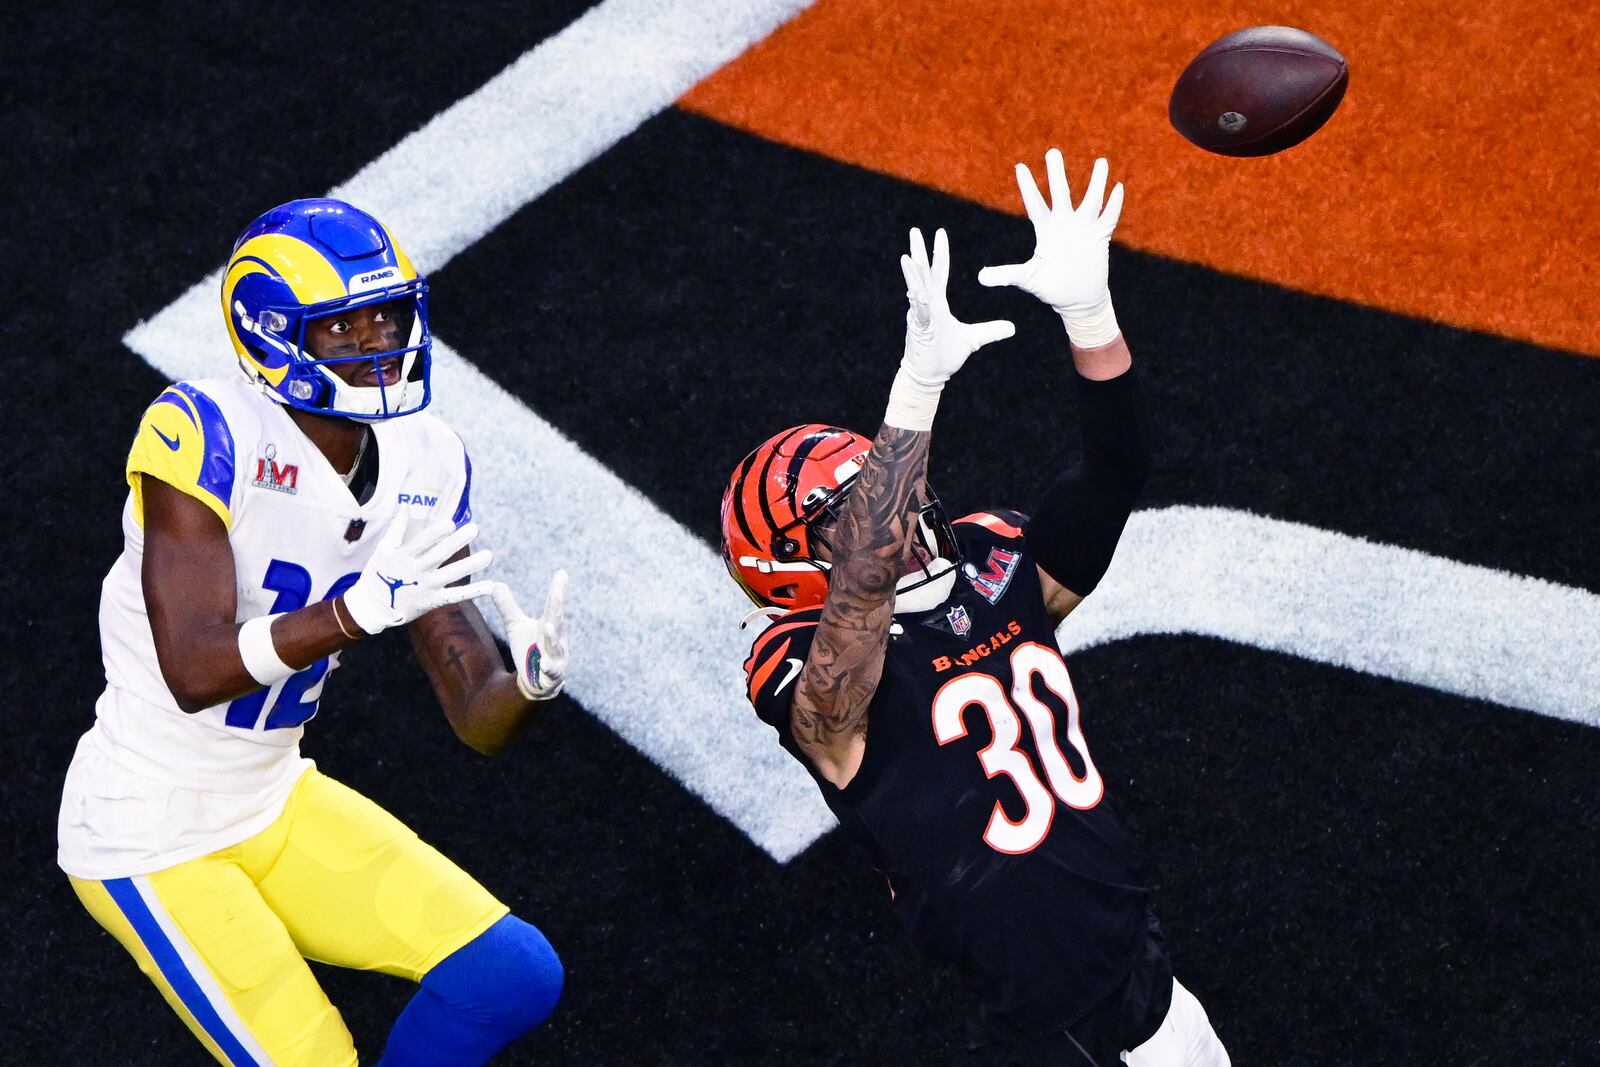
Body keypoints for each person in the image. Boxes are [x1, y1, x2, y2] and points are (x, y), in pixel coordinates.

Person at [722, 151, 1229, 1066]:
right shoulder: (804, 673)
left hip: (1138, 962)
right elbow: (859, 612)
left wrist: (1090, 316)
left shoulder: (992, 559)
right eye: (850, 511)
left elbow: (1117, 474)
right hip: (1050, 1022)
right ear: (792, 567)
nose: (899, 508)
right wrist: (913, 397)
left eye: (887, 485)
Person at [58, 199, 571, 1066]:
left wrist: (527, 685)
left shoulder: (426, 458)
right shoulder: (201, 435)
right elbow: (193, 666)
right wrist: (349, 614)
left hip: (270, 795)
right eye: (344, 325)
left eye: (387, 313)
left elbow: (476, 716)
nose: (379, 339)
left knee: (510, 974)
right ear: (271, 335)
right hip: (148, 828)